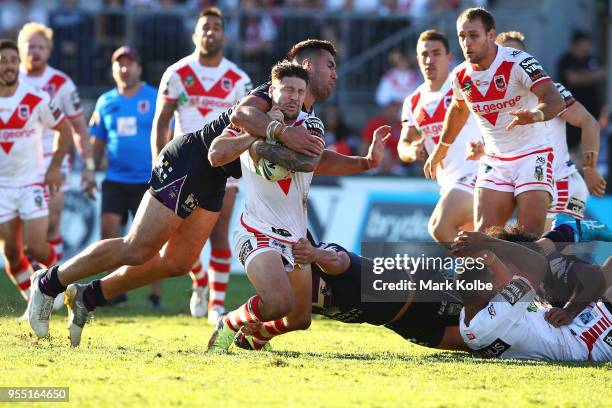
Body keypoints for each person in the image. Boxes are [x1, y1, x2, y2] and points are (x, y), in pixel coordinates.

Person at [26, 39, 331, 346]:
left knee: (178, 263)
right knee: (137, 247)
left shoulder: (304, 111)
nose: (335, 74)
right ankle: (49, 282)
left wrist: (363, 162)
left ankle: (89, 296)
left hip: (215, 178)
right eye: (329, 66)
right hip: (192, 160)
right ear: (307, 67)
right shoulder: (271, 95)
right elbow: (236, 123)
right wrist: (276, 132)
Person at [206, 61, 391, 353]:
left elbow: (310, 162)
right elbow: (215, 155)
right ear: (272, 89)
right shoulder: (249, 122)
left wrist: (365, 163)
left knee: (299, 318)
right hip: (256, 229)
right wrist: (262, 134)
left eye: (300, 91)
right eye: (288, 89)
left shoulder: (310, 125)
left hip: (294, 237)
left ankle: (252, 339)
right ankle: (229, 323)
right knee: (279, 301)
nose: (294, 96)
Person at [423, 7, 565, 237]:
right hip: (496, 160)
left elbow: (554, 100)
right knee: (485, 241)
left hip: (533, 154)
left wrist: (534, 115)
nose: (467, 42)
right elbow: (458, 108)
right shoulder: (460, 75)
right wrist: (441, 149)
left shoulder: (518, 61)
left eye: (473, 36)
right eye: (462, 36)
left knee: (527, 239)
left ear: (491, 35)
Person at [154, 7, 252, 320]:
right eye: (205, 27)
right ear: (195, 34)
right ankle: (200, 279)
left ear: (224, 35)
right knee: (174, 235)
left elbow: (251, 123)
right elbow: (162, 121)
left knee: (220, 230)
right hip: (185, 162)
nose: (210, 32)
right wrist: (159, 159)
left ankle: (216, 306)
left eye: (216, 27)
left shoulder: (238, 79)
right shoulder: (177, 73)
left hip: (226, 165)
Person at [234, 237, 466, 352]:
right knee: (478, 344)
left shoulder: (318, 256)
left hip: (423, 287)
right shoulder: (287, 297)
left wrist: (314, 254)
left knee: (491, 300)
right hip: (408, 326)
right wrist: (262, 331)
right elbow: (295, 320)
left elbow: (338, 261)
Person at [492, 31, 606, 230]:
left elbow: (589, 122)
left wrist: (589, 167)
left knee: (538, 250)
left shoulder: (550, 92)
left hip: (560, 185)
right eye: (506, 55)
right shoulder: (490, 99)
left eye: (517, 55)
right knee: (541, 255)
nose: (513, 61)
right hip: (531, 188)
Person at [451, 230, 611, 362]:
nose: (498, 278)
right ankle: (574, 227)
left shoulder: (469, 319)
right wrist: (488, 242)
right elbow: (537, 264)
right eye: (493, 276)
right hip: (590, 340)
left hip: (579, 326)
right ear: (482, 289)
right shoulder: (500, 313)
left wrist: (489, 255)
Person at [18, 22, 97, 269]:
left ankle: (50, 283)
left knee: (52, 219)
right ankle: (32, 282)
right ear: (21, 50)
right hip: (18, 160)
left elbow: (79, 128)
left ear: (49, 51)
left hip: (55, 157)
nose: (35, 52)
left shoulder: (61, 83)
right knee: (21, 228)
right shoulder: (10, 80)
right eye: (30, 47)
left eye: (40, 47)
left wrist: (89, 166)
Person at [0, 39, 72, 306]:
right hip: (2, 188)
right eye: (3, 61)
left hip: (31, 183)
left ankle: (67, 284)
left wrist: (54, 167)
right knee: (12, 254)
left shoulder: (35, 98)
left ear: (19, 64)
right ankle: (35, 304)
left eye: (12, 61)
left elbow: (65, 131)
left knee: (36, 248)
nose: (8, 66)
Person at [89, 46, 161, 307]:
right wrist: (88, 171)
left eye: (129, 63)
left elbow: (167, 132)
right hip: (115, 179)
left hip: (148, 180)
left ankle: (155, 295)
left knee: (151, 239)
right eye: (119, 64)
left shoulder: (154, 97)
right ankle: (112, 292)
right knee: (108, 230)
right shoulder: (105, 101)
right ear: (113, 69)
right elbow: (96, 141)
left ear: (139, 68)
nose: (124, 68)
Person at [398, 29, 482, 243]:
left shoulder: (463, 85)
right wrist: (412, 151)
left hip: (476, 172)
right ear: (417, 59)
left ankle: (485, 268)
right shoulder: (413, 101)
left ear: (449, 57)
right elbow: (403, 144)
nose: (429, 60)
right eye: (424, 54)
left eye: (436, 53)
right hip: (448, 183)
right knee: (470, 242)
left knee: (439, 227)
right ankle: (492, 272)